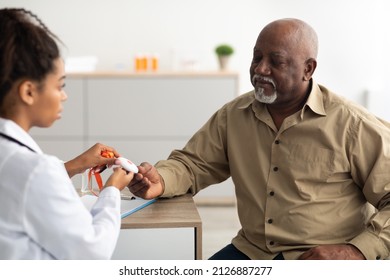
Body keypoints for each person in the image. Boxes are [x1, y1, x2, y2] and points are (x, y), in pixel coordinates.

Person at [128, 18, 390, 260]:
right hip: (252, 252)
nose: (261, 69)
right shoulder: (234, 115)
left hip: (323, 259)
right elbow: (193, 164)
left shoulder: (352, 124)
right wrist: (160, 180)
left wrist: (356, 251)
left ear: (308, 69)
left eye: (276, 62)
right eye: (256, 57)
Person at [0, 8, 134, 259]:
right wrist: (112, 190)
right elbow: (93, 252)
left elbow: (18, 187)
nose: (64, 95)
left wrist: (75, 166)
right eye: (60, 85)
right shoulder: (35, 170)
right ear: (28, 92)